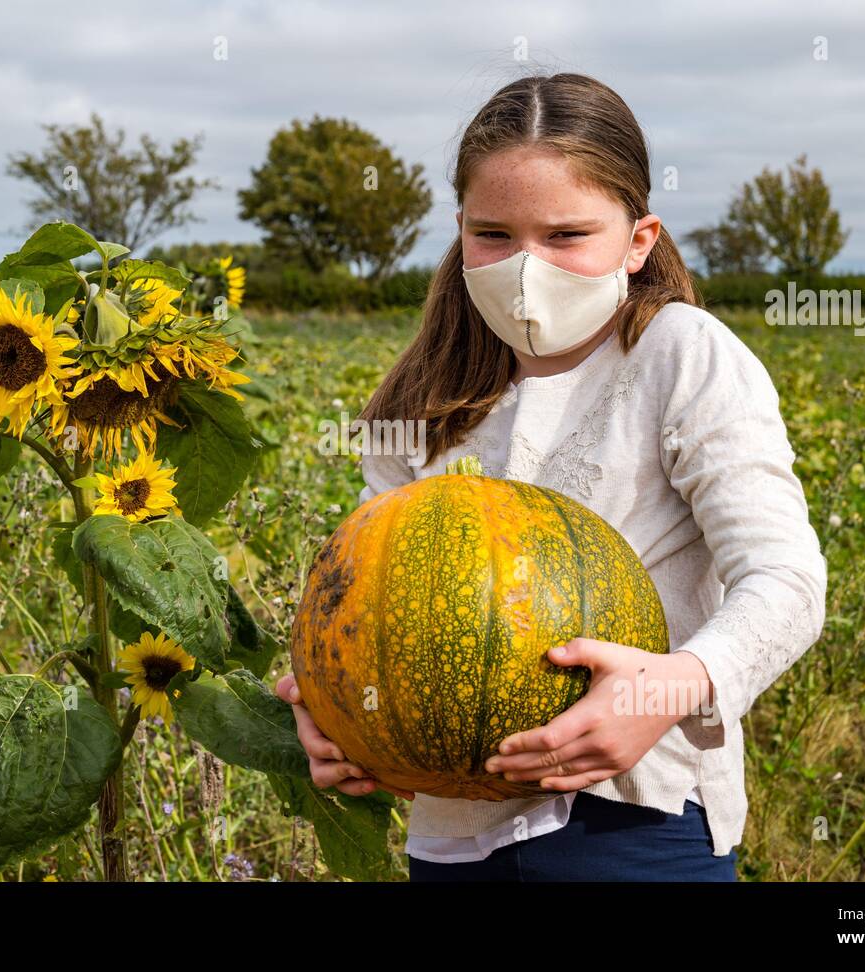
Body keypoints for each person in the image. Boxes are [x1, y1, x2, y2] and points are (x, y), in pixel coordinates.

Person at [275, 71, 827, 881]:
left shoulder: (681, 356)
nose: (525, 266)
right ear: (460, 227)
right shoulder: (421, 392)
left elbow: (787, 581)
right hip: (451, 834)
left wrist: (671, 687)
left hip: (636, 821)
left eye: (567, 235)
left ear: (639, 240)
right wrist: (327, 710)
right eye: (493, 235)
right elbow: (361, 599)